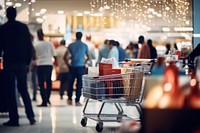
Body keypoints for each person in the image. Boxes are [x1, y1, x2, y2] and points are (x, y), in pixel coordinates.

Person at [0, 6, 36, 126]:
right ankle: (31, 116)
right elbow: (29, 47)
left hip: (9, 63)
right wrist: (27, 63)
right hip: (21, 64)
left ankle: (14, 119)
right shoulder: (23, 27)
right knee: (23, 89)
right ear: (15, 14)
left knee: (11, 91)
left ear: (6, 14)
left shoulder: (3, 28)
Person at [64, 32, 89, 106]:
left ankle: (69, 99)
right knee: (79, 84)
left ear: (75, 36)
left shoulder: (71, 45)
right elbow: (88, 57)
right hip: (81, 67)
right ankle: (77, 100)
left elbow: (65, 57)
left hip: (72, 66)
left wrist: (68, 65)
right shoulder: (84, 46)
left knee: (70, 83)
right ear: (81, 37)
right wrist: (84, 62)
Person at [33, 29, 57, 107]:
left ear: (37, 35)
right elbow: (54, 55)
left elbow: (33, 56)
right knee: (49, 82)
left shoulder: (35, 44)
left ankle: (44, 101)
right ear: (43, 35)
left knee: (41, 83)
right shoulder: (49, 44)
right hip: (48, 64)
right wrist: (55, 64)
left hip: (40, 65)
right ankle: (47, 99)